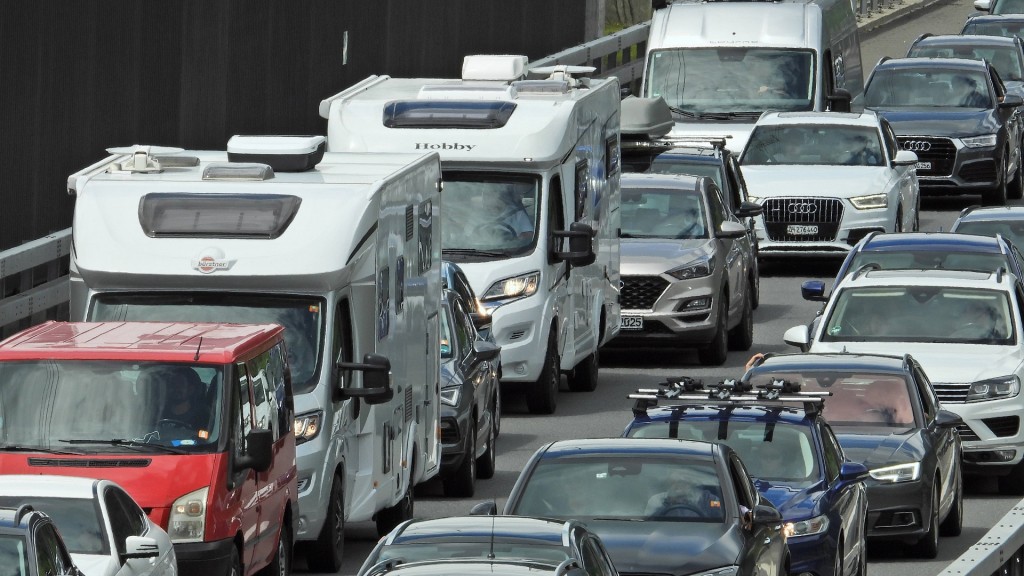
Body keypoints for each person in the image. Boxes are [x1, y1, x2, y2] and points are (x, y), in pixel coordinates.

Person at [151, 365, 210, 436]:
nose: (175, 388)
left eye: (180, 384)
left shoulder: (203, 416)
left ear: (190, 389)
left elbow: (206, 438)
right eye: (172, 384)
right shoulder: (158, 412)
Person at [645, 470, 721, 518]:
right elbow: (649, 525)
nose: (678, 487)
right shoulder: (657, 500)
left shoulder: (708, 499)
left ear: (691, 483)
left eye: (683, 482)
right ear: (668, 484)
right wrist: (668, 503)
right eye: (674, 482)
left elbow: (719, 524)